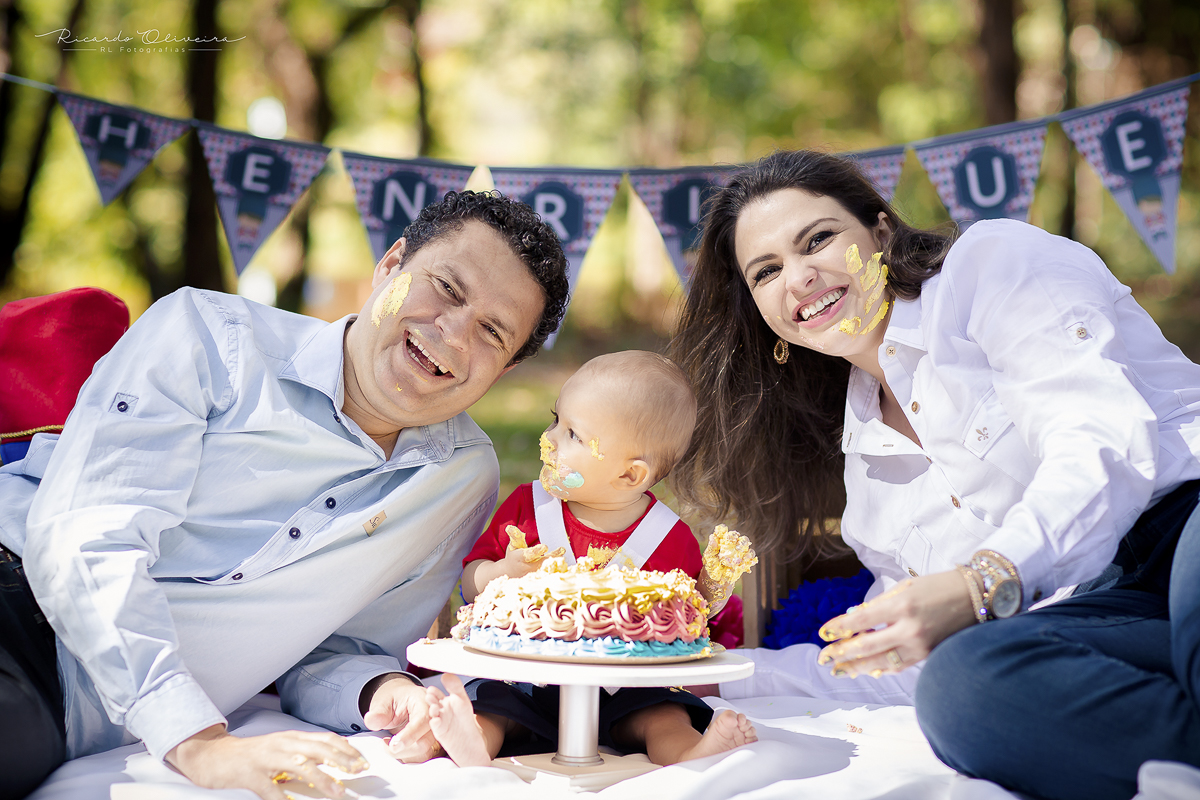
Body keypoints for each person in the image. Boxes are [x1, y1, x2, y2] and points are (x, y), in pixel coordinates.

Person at [0, 190, 570, 800]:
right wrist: (197, 742)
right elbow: (87, 536)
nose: (453, 335)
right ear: (391, 265)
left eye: (491, 331)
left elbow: (338, 648)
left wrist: (383, 692)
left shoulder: (460, 480)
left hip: (68, 712)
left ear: (505, 369)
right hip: (21, 600)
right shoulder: (207, 336)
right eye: (447, 288)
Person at [669, 149, 1200, 800]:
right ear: (761, 312)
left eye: (818, 239)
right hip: (1107, 613)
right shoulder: (867, 475)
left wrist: (984, 581)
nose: (799, 277)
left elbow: (1099, 442)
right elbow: (898, 660)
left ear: (881, 232)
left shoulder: (989, 266)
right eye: (767, 271)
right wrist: (701, 672)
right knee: (961, 684)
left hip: (1184, 519)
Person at [421, 351, 756, 767]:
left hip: (626, 686)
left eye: (573, 435)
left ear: (629, 475)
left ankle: (688, 751)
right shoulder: (529, 510)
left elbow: (687, 618)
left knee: (664, 714)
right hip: (526, 676)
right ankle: (472, 742)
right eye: (554, 420)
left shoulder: (667, 538)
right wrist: (504, 571)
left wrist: (713, 584)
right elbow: (470, 584)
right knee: (492, 706)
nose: (548, 438)